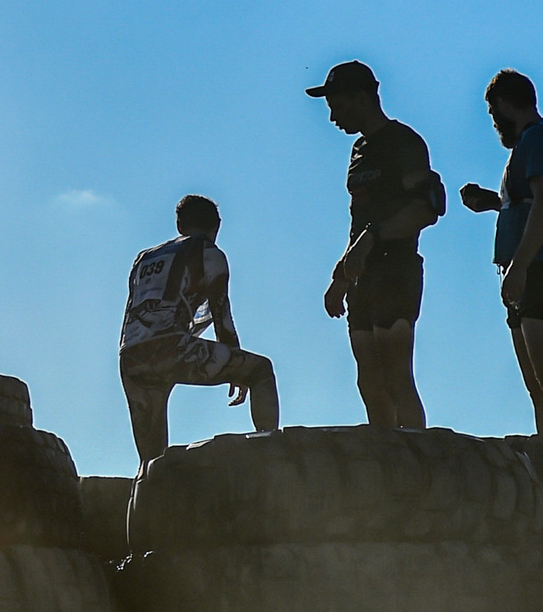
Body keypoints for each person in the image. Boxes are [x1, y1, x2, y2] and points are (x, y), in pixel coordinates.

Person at [307, 59, 445, 429]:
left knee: (395, 375)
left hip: (396, 268)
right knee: (369, 381)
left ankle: (418, 459)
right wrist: (341, 276)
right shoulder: (357, 151)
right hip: (363, 278)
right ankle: (385, 462)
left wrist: (375, 238)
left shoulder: (404, 142)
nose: (333, 115)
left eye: (336, 105)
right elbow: (358, 224)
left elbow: (425, 209)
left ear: (361, 98)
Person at [459, 68, 543, 435]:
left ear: (502, 104)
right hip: (527, 273)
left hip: (542, 270)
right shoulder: (534, 143)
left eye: (492, 113)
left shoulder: (537, 140)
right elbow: (529, 202)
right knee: (538, 390)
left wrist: (519, 267)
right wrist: (494, 203)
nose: (494, 123)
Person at [118, 195, 280, 466]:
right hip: (172, 348)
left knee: (151, 461)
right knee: (261, 370)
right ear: (217, 226)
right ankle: (270, 459)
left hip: (131, 356)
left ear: (179, 225)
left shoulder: (143, 259)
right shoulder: (209, 252)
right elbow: (221, 316)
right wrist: (236, 364)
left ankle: (148, 501)